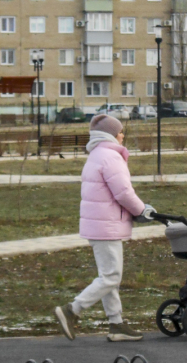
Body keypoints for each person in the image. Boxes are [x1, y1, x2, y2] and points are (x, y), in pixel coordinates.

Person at [54, 113, 155, 342]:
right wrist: (141, 210)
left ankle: (116, 324)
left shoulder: (97, 155)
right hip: (106, 225)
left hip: (99, 224)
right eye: (120, 131)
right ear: (110, 134)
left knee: (108, 275)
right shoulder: (111, 157)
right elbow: (123, 193)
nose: (123, 135)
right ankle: (72, 310)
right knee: (111, 276)